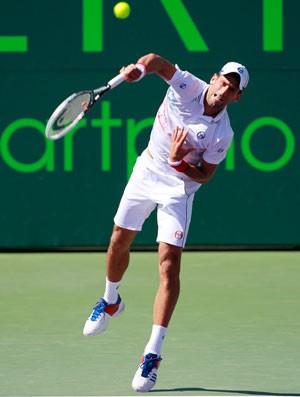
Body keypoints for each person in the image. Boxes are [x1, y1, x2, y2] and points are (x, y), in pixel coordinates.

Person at [83, 53, 249, 392]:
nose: (223, 90)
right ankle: (110, 300)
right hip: (146, 172)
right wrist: (139, 69)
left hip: (178, 190)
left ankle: (152, 354)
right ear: (215, 77)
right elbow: (158, 61)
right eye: (223, 81)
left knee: (168, 265)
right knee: (118, 239)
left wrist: (179, 164)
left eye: (232, 89)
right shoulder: (188, 86)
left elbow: (204, 176)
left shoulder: (223, 133)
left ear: (236, 97)